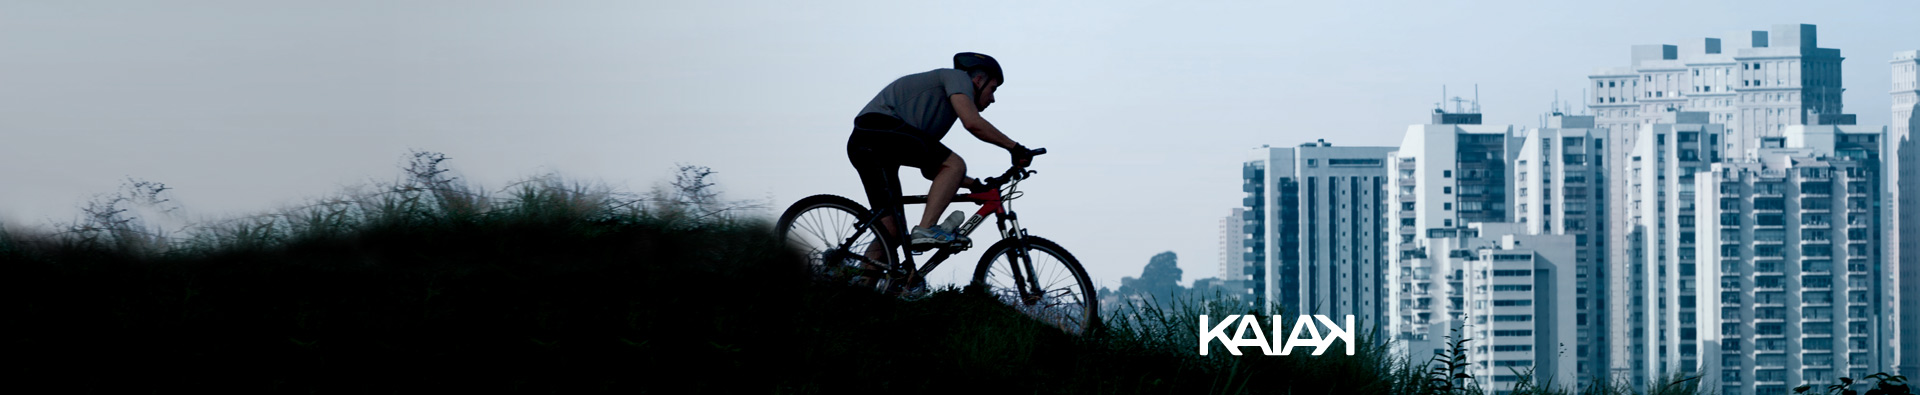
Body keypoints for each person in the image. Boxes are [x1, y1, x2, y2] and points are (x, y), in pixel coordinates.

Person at [847, 52, 1033, 261]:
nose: (993, 98)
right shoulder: (957, 77)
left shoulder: (938, 113)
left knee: (891, 233)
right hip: (878, 129)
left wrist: (974, 185)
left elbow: (931, 170)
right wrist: (1015, 148)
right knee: (955, 164)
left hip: (867, 145)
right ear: (978, 80)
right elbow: (973, 123)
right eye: (993, 89)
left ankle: (862, 285)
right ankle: (926, 229)